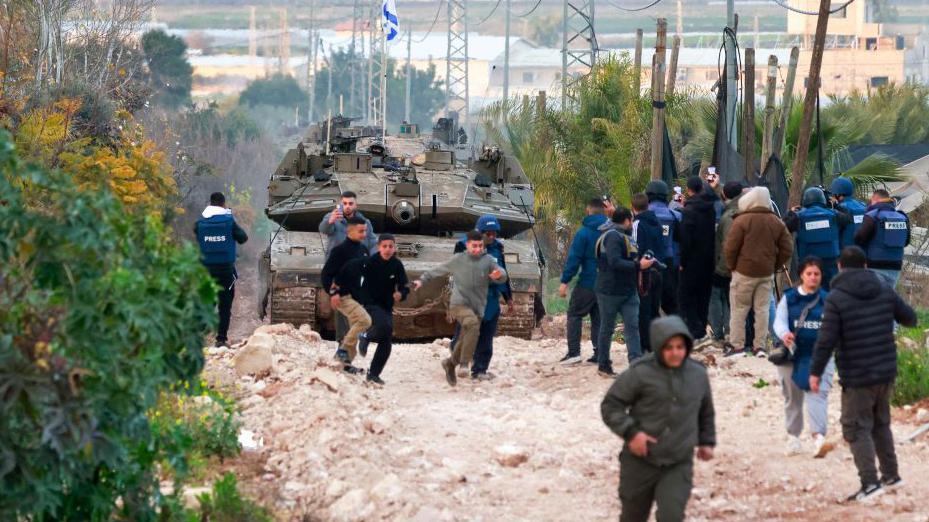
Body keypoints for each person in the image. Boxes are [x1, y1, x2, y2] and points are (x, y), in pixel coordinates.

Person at [809, 246, 917, 502]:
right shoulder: (883, 289)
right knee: (881, 423)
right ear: (866, 265)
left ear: (839, 266)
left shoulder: (836, 296)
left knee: (856, 428)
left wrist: (815, 372)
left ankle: (870, 484)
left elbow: (826, 340)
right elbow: (911, 318)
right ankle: (891, 476)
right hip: (885, 370)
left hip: (857, 373)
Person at [601, 315, 716, 522]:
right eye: (668, 347)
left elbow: (705, 411)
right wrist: (632, 433)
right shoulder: (640, 373)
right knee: (633, 516)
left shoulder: (697, 374)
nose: (675, 353)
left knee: (672, 515)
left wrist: (706, 441)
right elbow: (611, 405)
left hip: (677, 461)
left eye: (680, 347)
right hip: (640, 461)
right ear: (658, 346)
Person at [413, 230, 507, 387]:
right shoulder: (459, 260)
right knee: (472, 325)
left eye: (480, 246)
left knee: (466, 336)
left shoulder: (488, 260)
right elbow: (437, 270)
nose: (477, 249)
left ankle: (450, 363)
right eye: (474, 246)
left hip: (478, 306)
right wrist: (421, 280)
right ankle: (464, 364)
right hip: (459, 304)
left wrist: (499, 275)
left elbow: (502, 273)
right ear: (467, 245)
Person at [773, 256, 836, 458]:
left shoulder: (828, 300)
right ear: (801, 275)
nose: (813, 277)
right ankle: (793, 437)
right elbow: (779, 321)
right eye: (809, 273)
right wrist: (785, 334)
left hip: (820, 355)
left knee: (818, 393)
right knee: (793, 397)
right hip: (793, 354)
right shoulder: (790, 297)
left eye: (816, 274)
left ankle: (819, 437)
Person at [724, 186, 793, 357]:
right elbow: (787, 248)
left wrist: (732, 266)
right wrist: (774, 265)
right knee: (762, 310)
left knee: (739, 309)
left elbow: (730, 248)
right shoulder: (775, 221)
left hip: (743, 272)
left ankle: (737, 346)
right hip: (765, 273)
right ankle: (760, 347)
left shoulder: (741, 220)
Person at [451, 215, 514, 380]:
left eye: (495, 234)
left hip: (491, 298)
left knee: (487, 336)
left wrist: (508, 297)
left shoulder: (497, 247)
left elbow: (503, 271)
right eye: (488, 234)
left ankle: (480, 370)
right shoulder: (462, 245)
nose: (492, 237)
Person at [594, 207, 654, 375]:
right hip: (609, 291)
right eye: (631, 220)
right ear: (627, 220)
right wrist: (638, 266)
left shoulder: (627, 237)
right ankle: (603, 365)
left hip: (628, 291)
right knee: (607, 327)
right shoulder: (612, 236)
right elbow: (615, 262)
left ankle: (635, 363)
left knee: (632, 327)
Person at [349, 234, 409, 385]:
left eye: (391, 246)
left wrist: (401, 294)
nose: (388, 249)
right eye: (385, 246)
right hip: (369, 303)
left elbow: (404, 285)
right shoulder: (370, 262)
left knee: (386, 340)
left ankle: (373, 374)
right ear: (378, 247)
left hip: (386, 305)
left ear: (394, 247)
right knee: (385, 326)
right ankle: (365, 336)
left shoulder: (396, 264)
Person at [558, 198, 609, 365]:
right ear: (604, 211)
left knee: (574, 314)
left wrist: (565, 281)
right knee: (598, 318)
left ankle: (574, 353)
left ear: (588, 210)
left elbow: (574, 259)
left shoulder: (584, 232)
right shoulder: (613, 231)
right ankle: (600, 353)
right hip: (607, 284)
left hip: (588, 281)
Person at [195, 192, 249, 348]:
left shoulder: (200, 222)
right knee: (225, 305)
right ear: (223, 204)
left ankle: (198, 337)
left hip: (205, 270)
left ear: (210, 203)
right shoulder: (229, 221)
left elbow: (198, 236)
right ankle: (221, 339)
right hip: (226, 270)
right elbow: (243, 238)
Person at [321, 216, 371, 374]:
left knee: (354, 328)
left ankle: (346, 364)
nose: (364, 234)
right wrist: (333, 292)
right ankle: (341, 354)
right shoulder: (340, 251)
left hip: (356, 295)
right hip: (343, 296)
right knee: (363, 321)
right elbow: (326, 274)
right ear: (349, 230)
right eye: (360, 231)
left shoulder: (363, 250)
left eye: (365, 231)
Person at [678, 176, 719, 341]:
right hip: (708, 260)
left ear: (688, 190)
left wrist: (682, 261)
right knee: (703, 296)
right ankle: (701, 327)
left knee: (685, 297)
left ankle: (696, 330)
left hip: (691, 262)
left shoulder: (689, 211)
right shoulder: (711, 209)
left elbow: (686, 239)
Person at [784, 187, 849, 289]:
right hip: (831, 262)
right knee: (831, 290)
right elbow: (847, 218)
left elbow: (784, 226)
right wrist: (835, 204)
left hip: (808, 264)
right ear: (823, 200)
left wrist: (791, 213)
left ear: (805, 200)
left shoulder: (798, 216)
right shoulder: (834, 214)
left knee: (810, 292)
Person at [709, 181, 745, 345]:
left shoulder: (731, 215)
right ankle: (730, 330)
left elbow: (728, 245)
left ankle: (720, 334)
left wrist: (722, 269)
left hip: (728, 266)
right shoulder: (746, 206)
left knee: (718, 296)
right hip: (743, 265)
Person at [855, 188, 910, 288]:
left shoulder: (872, 216)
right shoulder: (902, 217)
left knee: (875, 299)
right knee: (888, 298)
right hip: (896, 266)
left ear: (874, 199)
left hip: (875, 265)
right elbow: (906, 242)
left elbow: (859, 239)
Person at [631, 193, 664, 354]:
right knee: (654, 309)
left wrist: (635, 267)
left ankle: (645, 346)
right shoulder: (657, 222)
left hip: (644, 274)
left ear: (633, 207)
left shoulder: (637, 224)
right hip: (657, 270)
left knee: (643, 311)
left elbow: (635, 248)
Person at [645, 180, 682, 315]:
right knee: (672, 305)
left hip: (647, 263)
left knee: (649, 306)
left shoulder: (642, 215)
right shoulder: (676, 216)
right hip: (670, 264)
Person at [318, 190, 377, 255]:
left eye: (350, 203)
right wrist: (329, 222)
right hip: (337, 260)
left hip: (357, 260)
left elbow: (373, 244)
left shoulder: (365, 222)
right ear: (341, 204)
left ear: (355, 205)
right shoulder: (332, 217)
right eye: (345, 203)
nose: (347, 206)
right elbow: (323, 230)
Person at [830, 176, 867, 249]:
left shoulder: (841, 208)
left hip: (847, 253)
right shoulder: (863, 205)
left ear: (838, 194)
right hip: (864, 251)